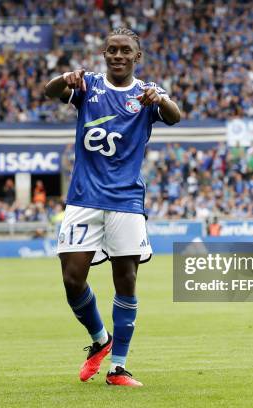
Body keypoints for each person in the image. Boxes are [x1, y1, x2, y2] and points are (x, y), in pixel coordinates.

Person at [44, 27, 180, 387]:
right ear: (103, 54)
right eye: (112, 50)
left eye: (125, 51)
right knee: (73, 279)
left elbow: (175, 115)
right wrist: (63, 78)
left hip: (125, 200)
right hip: (84, 197)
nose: (118, 56)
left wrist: (161, 101)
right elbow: (50, 91)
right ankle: (100, 338)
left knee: (127, 280)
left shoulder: (147, 93)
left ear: (137, 57)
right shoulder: (88, 85)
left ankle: (118, 367)